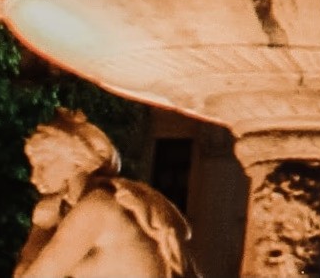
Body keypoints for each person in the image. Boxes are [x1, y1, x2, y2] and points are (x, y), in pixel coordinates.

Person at [14, 110, 197, 276]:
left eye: (42, 165)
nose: (34, 177)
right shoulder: (113, 203)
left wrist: (41, 227)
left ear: (76, 162)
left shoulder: (97, 208)